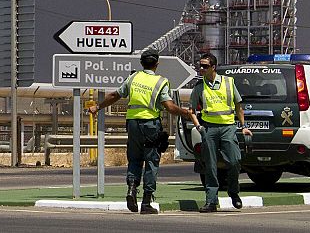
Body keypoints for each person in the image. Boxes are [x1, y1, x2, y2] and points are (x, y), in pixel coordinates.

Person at [87, 49, 192, 214]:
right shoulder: (161, 82)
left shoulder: (133, 77)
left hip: (133, 124)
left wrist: (98, 106)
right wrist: (185, 112)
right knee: (151, 161)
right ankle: (146, 202)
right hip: (150, 124)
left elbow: (115, 95)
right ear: (157, 64)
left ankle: (131, 189)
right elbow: (170, 107)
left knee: (135, 159)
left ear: (142, 64)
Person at [189, 52, 253, 212]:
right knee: (210, 166)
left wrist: (243, 126)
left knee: (234, 161)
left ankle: (233, 192)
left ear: (213, 67)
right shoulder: (199, 86)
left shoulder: (228, 83)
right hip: (209, 128)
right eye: (200, 65)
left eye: (205, 66)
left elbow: (239, 107)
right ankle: (211, 201)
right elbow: (191, 110)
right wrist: (199, 127)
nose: (201, 69)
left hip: (228, 128)